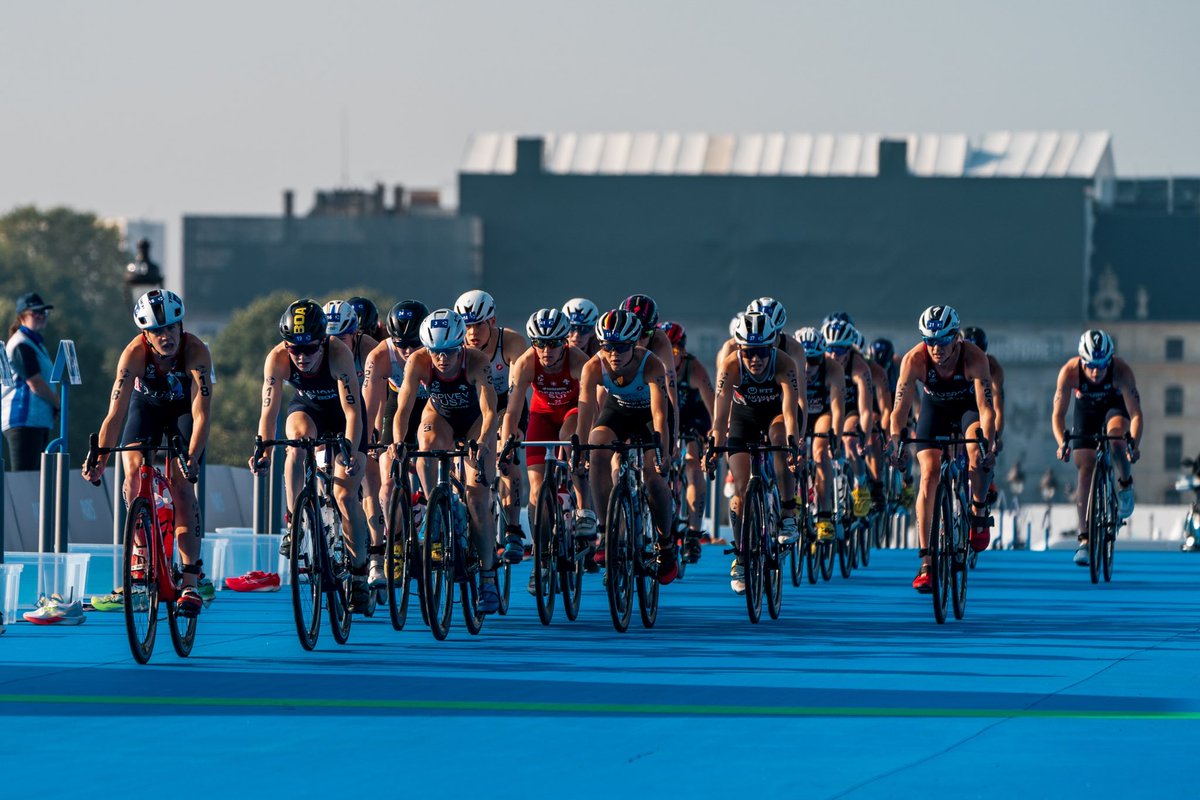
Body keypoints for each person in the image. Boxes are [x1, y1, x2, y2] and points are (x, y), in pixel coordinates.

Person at [82, 290, 213, 616]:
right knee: (133, 477)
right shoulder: (133, 355)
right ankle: (143, 555)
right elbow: (116, 413)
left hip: (184, 412)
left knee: (182, 486)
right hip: (148, 410)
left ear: (180, 325)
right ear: (145, 333)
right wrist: (100, 457)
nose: (165, 336)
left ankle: (190, 579)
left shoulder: (196, 351)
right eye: (157, 331)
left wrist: (192, 458)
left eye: (171, 328)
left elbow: (202, 415)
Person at [250, 300, 371, 611]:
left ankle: (359, 574)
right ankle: (295, 522)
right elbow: (269, 411)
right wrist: (262, 448)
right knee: (294, 443)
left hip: (346, 417)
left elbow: (354, 411)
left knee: (345, 497)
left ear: (323, 340)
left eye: (309, 350)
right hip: (309, 410)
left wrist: (350, 448)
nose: (301, 358)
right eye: (294, 350)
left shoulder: (338, 353)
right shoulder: (277, 358)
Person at [392, 309, 503, 613]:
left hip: (474, 421)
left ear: (461, 346)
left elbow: (490, 412)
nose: (442, 359)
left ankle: (488, 578)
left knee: (478, 499)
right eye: (436, 352)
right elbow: (403, 408)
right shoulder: (418, 361)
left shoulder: (476, 361)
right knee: (424, 446)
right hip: (439, 415)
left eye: (450, 352)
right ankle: (435, 506)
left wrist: (482, 443)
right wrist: (398, 443)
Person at [889, 305, 996, 593]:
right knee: (928, 474)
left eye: (943, 340)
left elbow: (986, 408)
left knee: (977, 452)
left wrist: (989, 441)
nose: (935, 348)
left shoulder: (974, 357)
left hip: (966, 410)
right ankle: (926, 561)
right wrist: (896, 439)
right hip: (934, 409)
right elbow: (899, 410)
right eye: (930, 340)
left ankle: (978, 509)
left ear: (956, 337)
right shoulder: (914, 359)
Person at [574, 308, 678, 584]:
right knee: (596, 448)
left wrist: (663, 452)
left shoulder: (652, 364)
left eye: (621, 348)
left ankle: (666, 543)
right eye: (608, 347)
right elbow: (585, 412)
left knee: (654, 477)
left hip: (648, 416)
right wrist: (580, 449)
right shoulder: (593, 366)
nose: (614, 355)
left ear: (633, 345)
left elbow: (659, 416)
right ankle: (607, 530)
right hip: (618, 410)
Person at [707, 312, 803, 594]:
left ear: (771, 347)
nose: (756, 360)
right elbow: (720, 415)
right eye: (749, 353)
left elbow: (790, 411)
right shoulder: (730, 366)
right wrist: (714, 446)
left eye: (762, 352)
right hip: (743, 419)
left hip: (775, 416)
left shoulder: (784, 363)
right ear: (739, 349)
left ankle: (787, 511)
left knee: (779, 438)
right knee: (740, 487)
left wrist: (792, 444)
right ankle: (740, 556)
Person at [501, 308, 593, 592]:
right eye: (539, 343)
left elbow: (591, 405)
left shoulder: (579, 361)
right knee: (537, 490)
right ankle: (540, 562)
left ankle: (582, 509)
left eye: (553, 343)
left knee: (570, 443)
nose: (546, 350)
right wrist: (506, 443)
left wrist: (583, 442)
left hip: (574, 412)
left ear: (564, 342)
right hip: (542, 416)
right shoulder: (526, 363)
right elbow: (513, 409)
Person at [1051, 329, 1143, 566]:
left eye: (1102, 366)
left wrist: (1134, 442)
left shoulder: (1121, 371)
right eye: (1090, 365)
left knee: (1116, 441)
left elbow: (1135, 414)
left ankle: (1124, 484)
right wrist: (1062, 441)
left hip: (1115, 407)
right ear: (1082, 360)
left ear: (1110, 360)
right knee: (1084, 468)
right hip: (1087, 412)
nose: (1095, 371)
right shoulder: (1070, 372)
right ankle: (1084, 539)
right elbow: (1058, 415)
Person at [454, 289, 528, 564]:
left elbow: (518, 388)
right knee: (461, 463)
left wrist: (507, 426)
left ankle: (512, 529)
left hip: (507, 403)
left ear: (492, 321)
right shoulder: (456, 344)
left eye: (477, 325)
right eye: (466, 326)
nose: (471, 333)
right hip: (472, 406)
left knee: (506, 457)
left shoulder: (511, 342)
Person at [363, 300, 429, 584]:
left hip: (432, 405)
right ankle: (397, 543)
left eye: (414, 343)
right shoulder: (380, 356)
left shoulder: (437, 349)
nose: (407, 351)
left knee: (433, 458)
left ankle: (434, 508)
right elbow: (369, 409)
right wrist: (367, 443)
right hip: (397, 405)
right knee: (387, 483)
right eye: (400, 344)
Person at [660, 321, 714, 562]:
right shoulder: (653, 367)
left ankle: (693, 532)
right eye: (664, 352)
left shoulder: (694, 369)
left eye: (673, 353)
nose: (669, 359)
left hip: (692, 417)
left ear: (682, 350)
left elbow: (713, 407)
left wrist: (714, 433)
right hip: (666, 416)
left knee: (692, 465)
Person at [794, 326, 845, 541]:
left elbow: (838, 408)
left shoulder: (833, 369)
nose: (807, 367)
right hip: (796, 412)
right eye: (803, 360)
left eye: (814, 361)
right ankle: (793, 498)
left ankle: (824, 514)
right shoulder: (789, 367)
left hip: (822, 413)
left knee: (819, 452)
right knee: (790, 450)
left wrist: (837, 437)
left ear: (822, 358)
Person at [822, 318, 875, 519]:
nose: (835, 355)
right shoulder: (820, 363)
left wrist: (865, 436)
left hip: (851, 410)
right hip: (828, 409)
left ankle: (861, 484)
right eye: (830, 349)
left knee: (850, 439)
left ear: (849, 349)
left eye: (841, 350)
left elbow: (866, 409)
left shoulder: (859, 367)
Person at [3, 293, 59, 469]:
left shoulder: (34, 342)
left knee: (34, 481)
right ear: (22, 316)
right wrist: (58, 403)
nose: (42, 316)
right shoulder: (21, 343)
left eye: (44, 312)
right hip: (23, 419)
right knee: (24, 479)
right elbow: (35, 382)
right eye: (36, 313)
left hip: (36, 420)